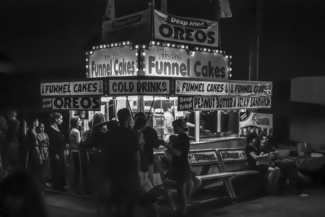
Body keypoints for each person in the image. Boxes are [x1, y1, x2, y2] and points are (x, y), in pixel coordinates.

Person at [95, 108, 143, 217]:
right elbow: (136, 156)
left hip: (114, 173)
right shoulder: (133, 135)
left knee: (117, 203)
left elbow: (105, 153)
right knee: (129, 205)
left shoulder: (109, 134)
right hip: (129, 173)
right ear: (127, 118)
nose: (131, 119)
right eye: (130, 116)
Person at [161, 119, 193, 217]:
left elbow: (178, 153)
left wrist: (166, 145)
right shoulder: (181, 137)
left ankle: (182, 212)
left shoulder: (182, 138)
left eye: (175, 127)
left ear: (180, 127)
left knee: (181, 192)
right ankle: (182, 211)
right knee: (181, 192)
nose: (173, 128)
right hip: (181, 167)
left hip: (181, 167)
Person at [132, 116, 158, 217]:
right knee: (150, 195)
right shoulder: (139, 135)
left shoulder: (131, 132)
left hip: (135, 167)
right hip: (142, 166)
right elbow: (139, 152)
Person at [134, 112, 165, 184]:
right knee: (148, 181)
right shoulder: (151, 131)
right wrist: (159, 142)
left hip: (136, 160)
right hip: (148, 158)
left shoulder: (133, 131)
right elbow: (156, 145)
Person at [48, 112, 66, 192]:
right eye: (60, 118)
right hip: (56, 153)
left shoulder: (58, 128)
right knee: (56, 170)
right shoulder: (51, 130)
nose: (62, 120)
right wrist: (55, 154)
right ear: (56, 119)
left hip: (61, 152)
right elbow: (52, 143)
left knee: (60, 169)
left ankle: (60, 187)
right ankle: (56, 187)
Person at [68, 116, 82, 194]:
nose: (81, 121)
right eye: (79, 120)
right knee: (77, 170)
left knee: (74, 169)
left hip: (72, 151)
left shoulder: (71, 130)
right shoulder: (76, 132)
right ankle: (76, 188)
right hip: (76, 151)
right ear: (76, 122)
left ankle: (73, 186)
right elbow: (78, 143)